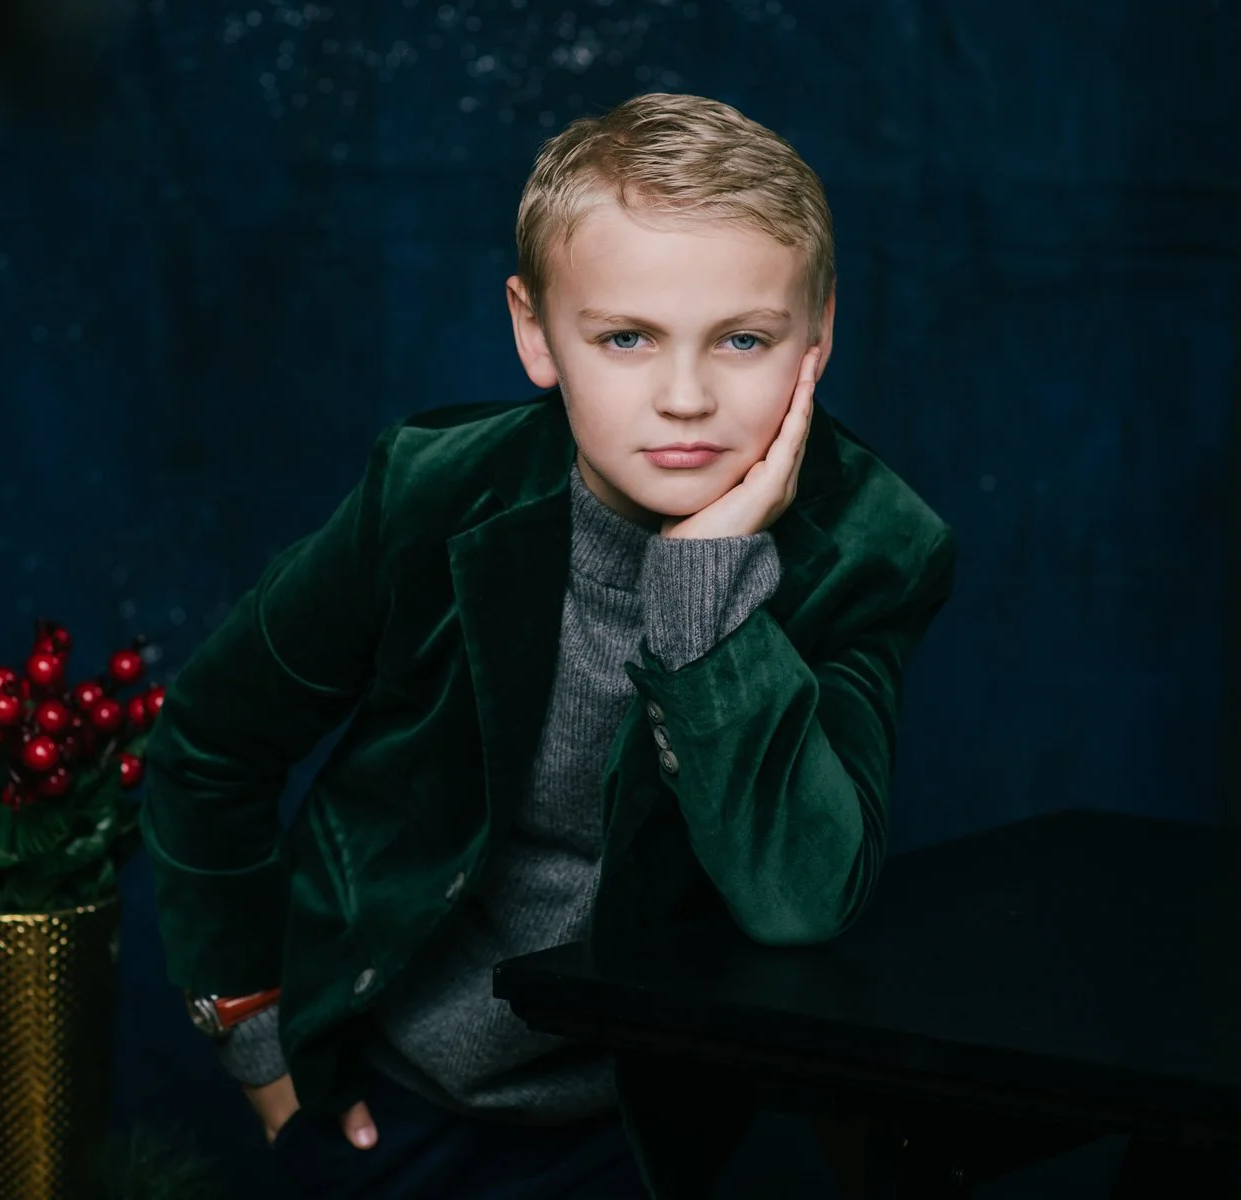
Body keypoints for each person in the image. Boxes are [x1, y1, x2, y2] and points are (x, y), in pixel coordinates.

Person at [141, 91, 956, 1199]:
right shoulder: (430, 498)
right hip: (391, 1099)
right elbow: (210, 744)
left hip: (646, 1132)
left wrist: (701, 590)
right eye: (626, 337)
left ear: (817, 336)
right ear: (535, 332)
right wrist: (254, 1037)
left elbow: (800, 900)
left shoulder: (871, 549)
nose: (684, 398)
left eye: (744, 340)